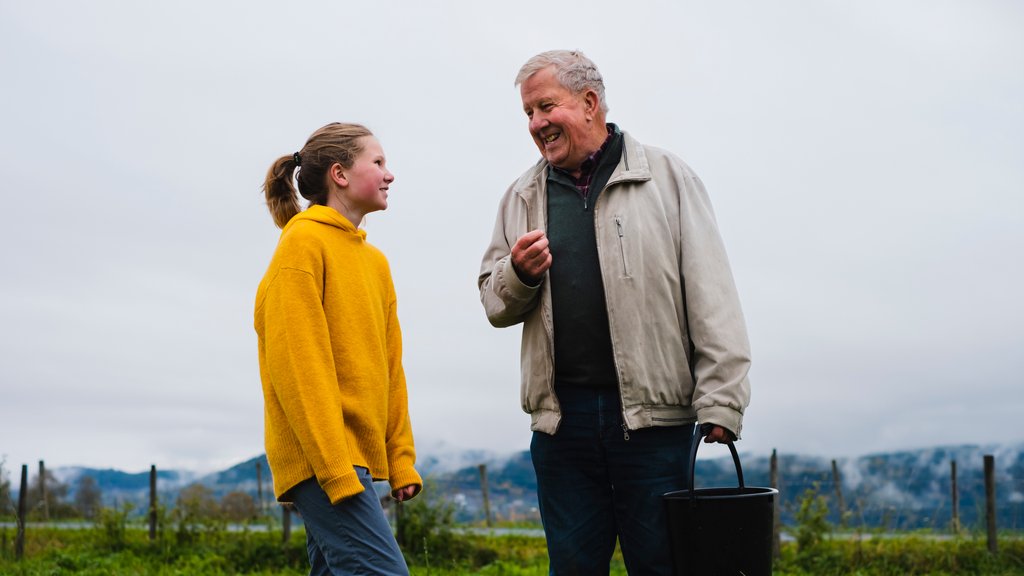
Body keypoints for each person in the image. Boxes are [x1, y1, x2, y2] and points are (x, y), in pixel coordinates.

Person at [478, 50, 752, 575]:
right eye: (528, 114)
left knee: (662, 566)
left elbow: (712, 294)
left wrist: (722, 399)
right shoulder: (521, 195)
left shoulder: (668, 179)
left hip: (654, 425)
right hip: (562, 428)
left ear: (588, 102)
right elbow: (493, 302)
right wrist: (521, 273)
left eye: (545, 107)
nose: (536, 124)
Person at [255, 122, 421, 576]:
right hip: (322, 461)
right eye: (379, 162)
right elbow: (298, 367)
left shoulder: (375, 263)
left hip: (354, 462)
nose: (390, 175)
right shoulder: (302, 245)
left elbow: (390, 367)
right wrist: (333, 468)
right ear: (340, 174)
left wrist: (400, 458)